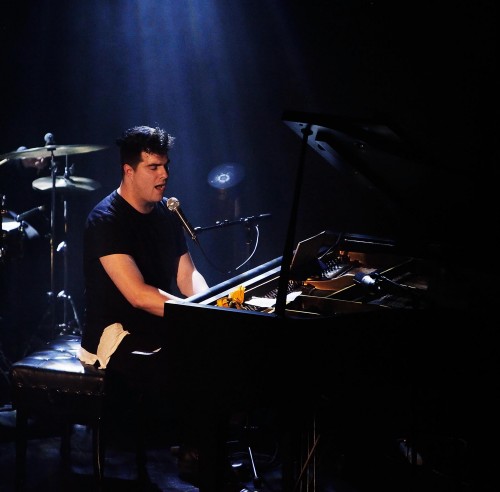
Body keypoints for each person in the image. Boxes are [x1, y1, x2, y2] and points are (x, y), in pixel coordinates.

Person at [77, 125, 212, 484]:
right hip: (114, 333)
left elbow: (189, 277)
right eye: (153, 167)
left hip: (156, 321)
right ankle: (193, 450)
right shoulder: (105, 219)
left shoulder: (167, 214)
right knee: (189, 358)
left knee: (217, 347)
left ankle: (200, 452)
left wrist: (212, 305)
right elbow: (137, 294)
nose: (164, 174)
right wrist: (197, 315)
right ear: (129, 170)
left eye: (166, 165)